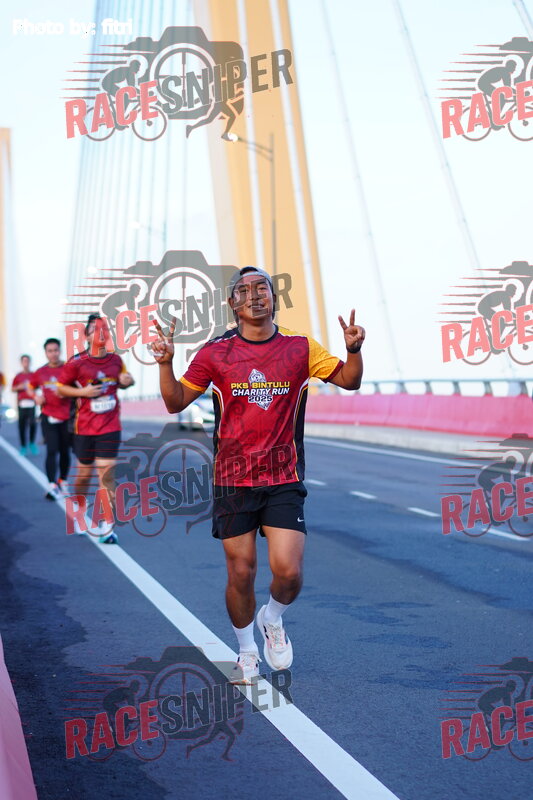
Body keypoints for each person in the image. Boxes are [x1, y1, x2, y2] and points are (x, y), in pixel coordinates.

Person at [153, 265, 365, 683]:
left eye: (261, 288)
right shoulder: (215, 353)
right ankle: (247, 650)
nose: (254, 295)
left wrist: (354, 350)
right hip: (233, 480)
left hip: (283, 477)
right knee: (242, 571)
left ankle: (273, 617)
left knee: (289, 572)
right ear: (232, 303)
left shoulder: (300, 348)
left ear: (273, 297)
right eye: (244, 290)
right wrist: (165, 362)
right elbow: (175, 402)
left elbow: (349, 380)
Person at [58, 314, 135, 543]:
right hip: (84, 428)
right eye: (95, 329)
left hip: (110, 426)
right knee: (83, 476)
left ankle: (107, 526)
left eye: (104, 329)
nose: (101, 333)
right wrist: (82, 392)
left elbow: (125, 380)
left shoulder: (116, 360)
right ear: (87, 335)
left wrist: (128, 381)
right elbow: (61, 389)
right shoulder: (76, 362)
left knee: (106, 474)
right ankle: (79, 509)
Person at [32, 338, 72, 501]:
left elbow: (79, 387)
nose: (53, 354)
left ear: (60, 351)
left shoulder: (69, 369)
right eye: (50, 351)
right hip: (48, 416)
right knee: (52, 450)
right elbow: (30, 386)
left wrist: (68, 392)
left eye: (56, 350)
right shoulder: (40, 372)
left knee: (65, 451)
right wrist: (35, 397)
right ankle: (52, 485)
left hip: (67, 416)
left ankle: (63, 481)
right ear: (46, 353)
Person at [12, 354, 38, 456]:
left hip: (31, 403)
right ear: (21, 363)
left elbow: (38, 386)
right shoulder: (18, 376)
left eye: (27, 361)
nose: (26, 363)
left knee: (33, 424)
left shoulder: (34, 375)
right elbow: (13, 388)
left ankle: (32, 443)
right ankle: (23, 446)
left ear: (30, 362)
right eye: (24, 361)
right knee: (22, 426)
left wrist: (31, 387)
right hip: (22, 405)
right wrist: (20, 387)